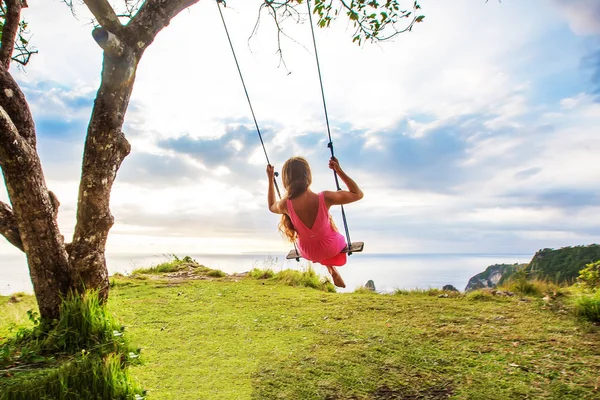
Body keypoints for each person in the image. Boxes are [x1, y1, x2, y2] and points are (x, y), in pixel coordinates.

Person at [266, 156, 364, 288]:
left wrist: (270, 179)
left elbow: (272, 205)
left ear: (286, 180)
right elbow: (357, 194)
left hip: (309, 251)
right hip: (330, 247)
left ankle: (331, 270)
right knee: (328, 224)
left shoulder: (285, 204)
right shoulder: (325, 197)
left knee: (316, 237)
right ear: (308, 176)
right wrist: (339, 170)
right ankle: (332, 269)